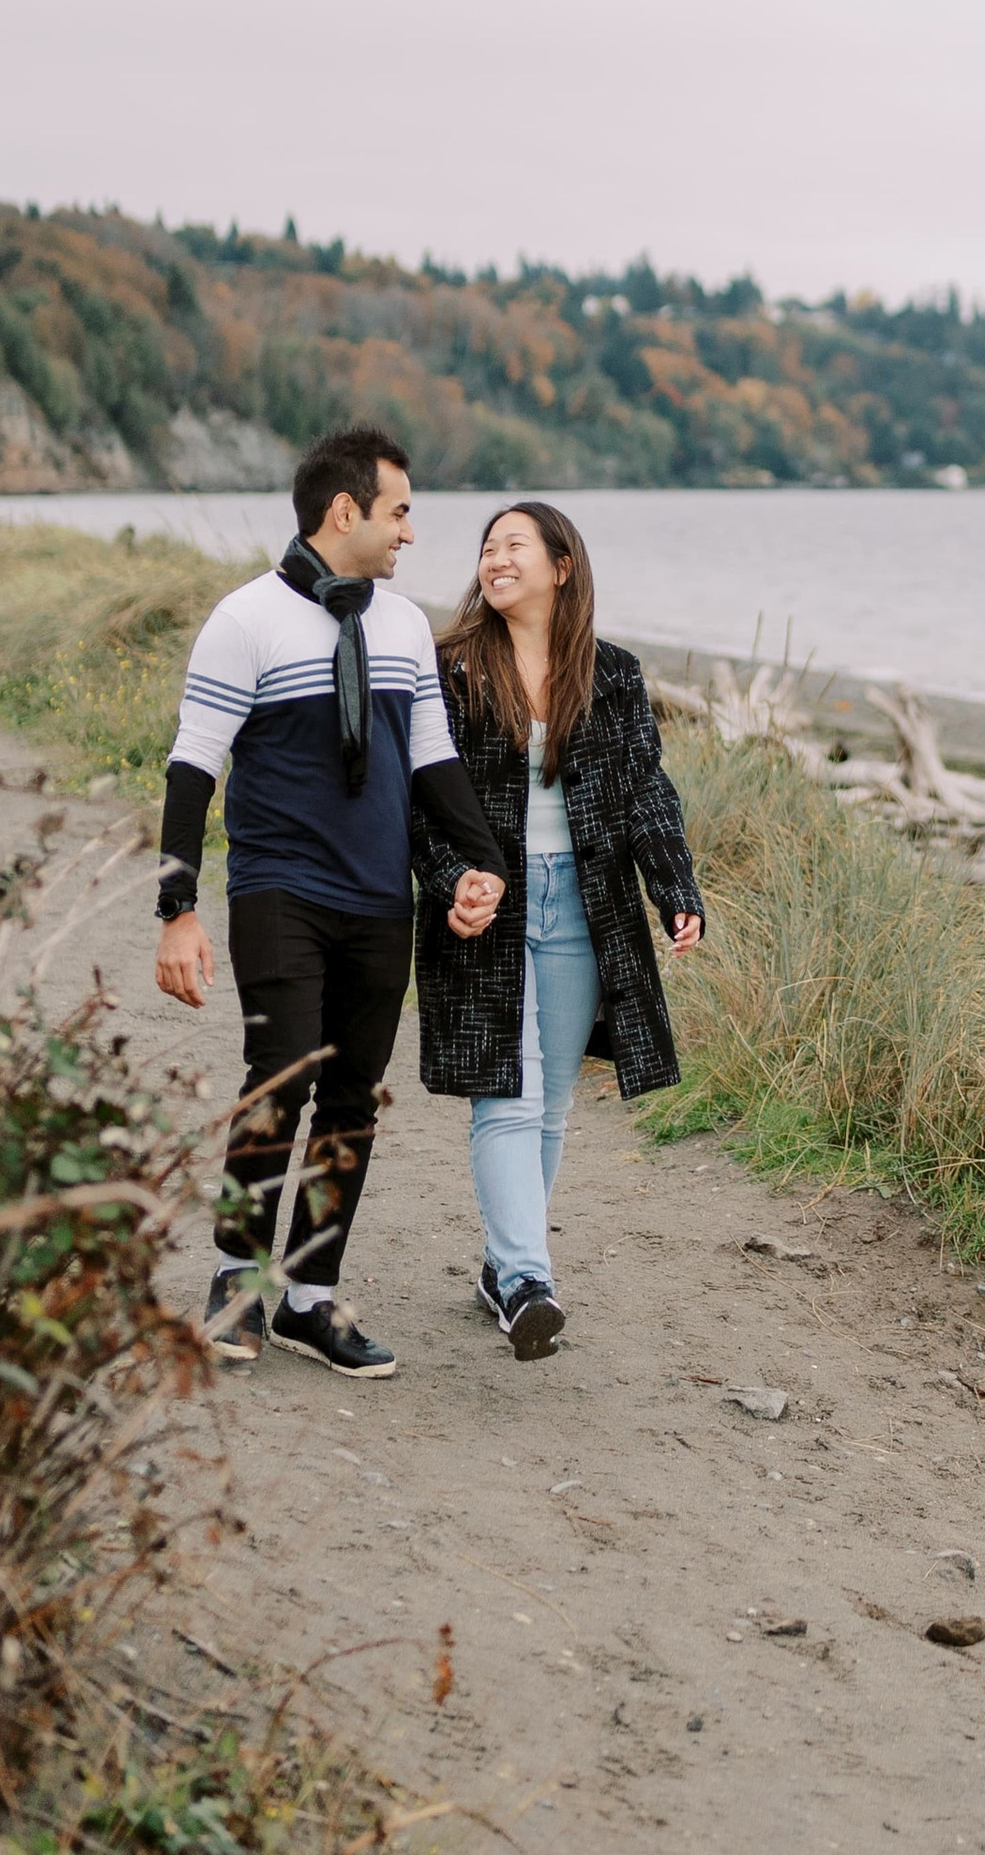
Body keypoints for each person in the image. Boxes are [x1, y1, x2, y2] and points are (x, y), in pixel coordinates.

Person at [155, 422, 506, 1377]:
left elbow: (431, 760)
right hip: (280, 890)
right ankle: (237, 1281)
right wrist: (177, 908)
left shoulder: (399, 626)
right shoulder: (246, 619)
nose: (409, 534)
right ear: (342, 511)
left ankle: (309, 1297)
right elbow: (194, 766)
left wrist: (482, 861)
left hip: (378, 900)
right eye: (398, 513)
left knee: (352, 1098)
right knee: (281, 1080)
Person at [415, 500, 703, 1359]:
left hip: (590, 901)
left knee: (555, 1102)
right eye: (487, 547)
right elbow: (419, 793)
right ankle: (528, 1279)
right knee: (509, 1089)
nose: (495, 558)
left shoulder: (610, 672)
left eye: (515, 545)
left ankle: (506, 1266)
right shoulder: (453, 668)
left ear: (561, 565)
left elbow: (646, 786)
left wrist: (674, 886)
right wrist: (449, 879)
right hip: (488, 901)